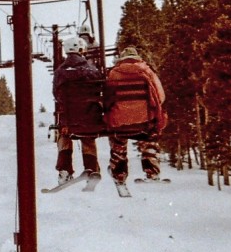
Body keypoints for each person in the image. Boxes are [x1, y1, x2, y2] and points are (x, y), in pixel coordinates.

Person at [104, 46, 168, 183]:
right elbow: (160, 96)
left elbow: (108, 99)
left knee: (118, 139)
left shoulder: (114, 74)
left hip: (120, 123)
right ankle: (151, 171)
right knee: (150, 137)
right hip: (145, 122)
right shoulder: (147, 72)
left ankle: (119, 171)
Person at [53, 36, 103, 183]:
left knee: (64, 136)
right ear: (82, 50)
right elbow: (98, 89)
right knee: (87, 138)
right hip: (89, 117)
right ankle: (92, 168)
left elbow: (57, 94)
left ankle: (64, 170)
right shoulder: (91, 70)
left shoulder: (60, 72)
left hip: (68, 118)